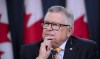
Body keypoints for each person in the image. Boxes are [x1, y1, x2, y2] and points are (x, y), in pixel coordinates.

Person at [20, 6, 99, 59]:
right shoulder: (27, 51)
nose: (49, 28)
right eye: (46, 23)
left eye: (55, 25)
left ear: (69, 31)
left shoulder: (87, 48)